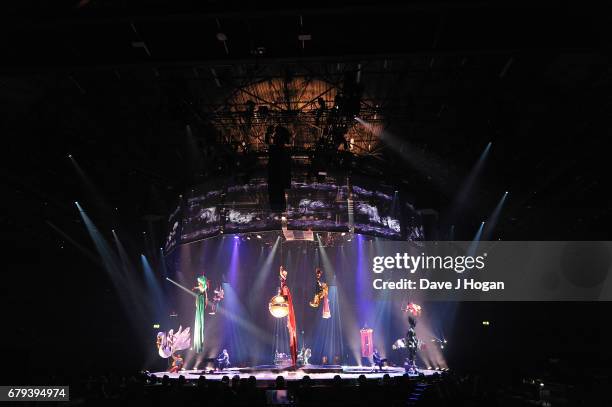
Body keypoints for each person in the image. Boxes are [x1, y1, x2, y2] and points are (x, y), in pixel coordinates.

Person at [279, 266, 298, 366]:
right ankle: (293, 360)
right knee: (291, 334)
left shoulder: (285, 288)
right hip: (287, 311)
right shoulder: (283, 288)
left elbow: (285, 300)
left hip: (288, 311)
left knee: (292, 334)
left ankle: (294, 360)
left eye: (281, 279)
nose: (281, 281)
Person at [192, 275, 208, 353]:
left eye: (199, 282)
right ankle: (198, 345)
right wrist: (195, 288)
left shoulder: (203, 288)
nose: (198, 284)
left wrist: (206, 302)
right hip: (198, 300)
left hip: (201, 300)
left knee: (200, 320)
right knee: (198, 318)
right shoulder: (200, 287)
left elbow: (206, 294)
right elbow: (197, 288)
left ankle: (200, 344)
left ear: (201, 283)